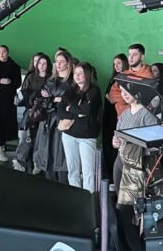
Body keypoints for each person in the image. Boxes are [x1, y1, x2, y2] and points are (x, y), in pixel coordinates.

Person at [111, 85, 158, 251]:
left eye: (127, 91)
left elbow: (155, 145)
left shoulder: (147, 115)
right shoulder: (124, 114)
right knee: (121, 211)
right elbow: (117, 136)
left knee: (126, 214)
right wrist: (115, 141)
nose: (124, 95)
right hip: (120, 162)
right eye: (122, 92)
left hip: (135, 168)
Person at [58, 62, 102, 193]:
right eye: (75, 73)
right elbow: (60, 112)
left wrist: (70, 108)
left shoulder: (94, 91)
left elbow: (88, 110)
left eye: (80, 73)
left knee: (88, 172)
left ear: (87, 75)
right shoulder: (70, 90)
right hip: (68, 134)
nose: (77, 76)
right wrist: (77, 112)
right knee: (73, 170)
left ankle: (89, 199)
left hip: (87, 137)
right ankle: (76, 197)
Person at [32, 50, 73, 182]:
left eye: (62, 61)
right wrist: (55, 100)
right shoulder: (50, 81)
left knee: (61, 156)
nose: (59, 64)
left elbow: (71, 103)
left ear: (68, 63)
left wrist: (53, 99)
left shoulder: (73, 82)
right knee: (47, 155)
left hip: (62, 122)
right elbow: (42, 100)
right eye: (57, 61)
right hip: (47, 121)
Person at [12, 54, 51, 172]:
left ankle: (37, 162)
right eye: (40, 63)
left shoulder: (51, 78)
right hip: (30, 110)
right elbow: (24, 93)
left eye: (44, 63)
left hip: (45, 112)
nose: (42, 66)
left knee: (41, 139)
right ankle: (20, 160)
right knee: (25, 136)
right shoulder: (31, 77)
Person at [102, 53, 129, 181]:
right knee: (108, 146)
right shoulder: (113, 79)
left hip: (119, 117)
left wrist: (112, 97)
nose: (116, 66)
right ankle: (110, 179)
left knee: (117, 148)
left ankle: (117, 179)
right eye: (114, 64)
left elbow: (124, 98)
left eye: (119, 63)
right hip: (108, 116)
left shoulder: (128, 78)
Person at [108, 43, 154, 117]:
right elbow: (112, 95)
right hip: (121, 117)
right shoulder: (123, 74)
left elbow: (142, 100)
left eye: (134, 54)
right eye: (129, 54)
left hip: (138, 117)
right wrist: (128, 99)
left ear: (142, 57)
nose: (131, 57)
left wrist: (121, 100)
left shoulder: (148, 76)